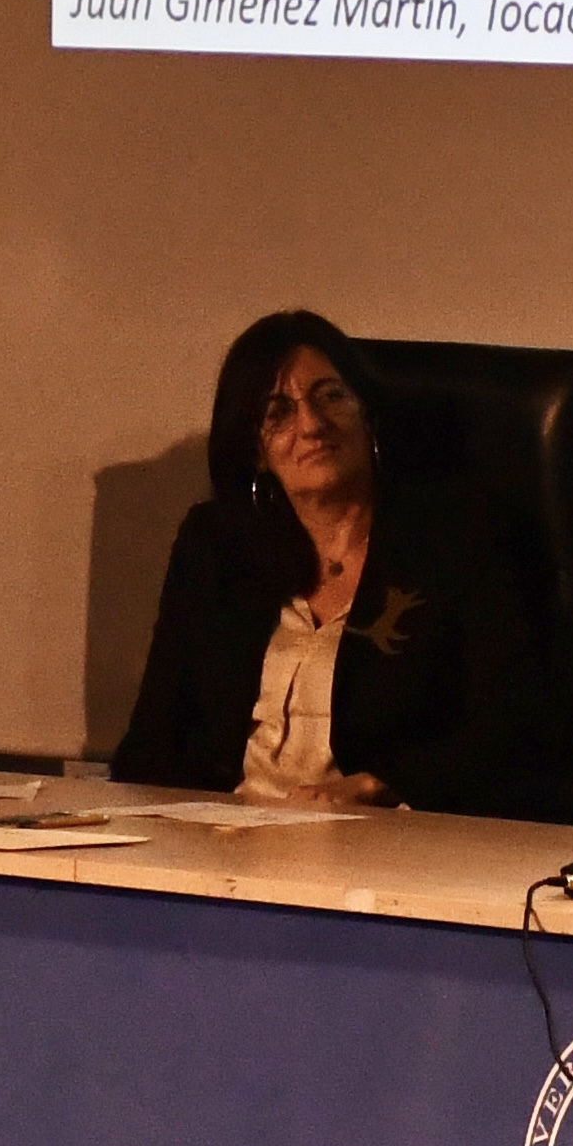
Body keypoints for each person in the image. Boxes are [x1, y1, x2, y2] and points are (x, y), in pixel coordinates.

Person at [111, 313, 461, 806]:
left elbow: (510, 730)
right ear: (255, 447)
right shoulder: (217, 545)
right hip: (223, 833)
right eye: (278, 412)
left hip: (384, 834)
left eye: (331, 397)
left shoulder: (451, 543)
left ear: (368, 414)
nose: (312, 425)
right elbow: (153, 739)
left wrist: (381, 784)